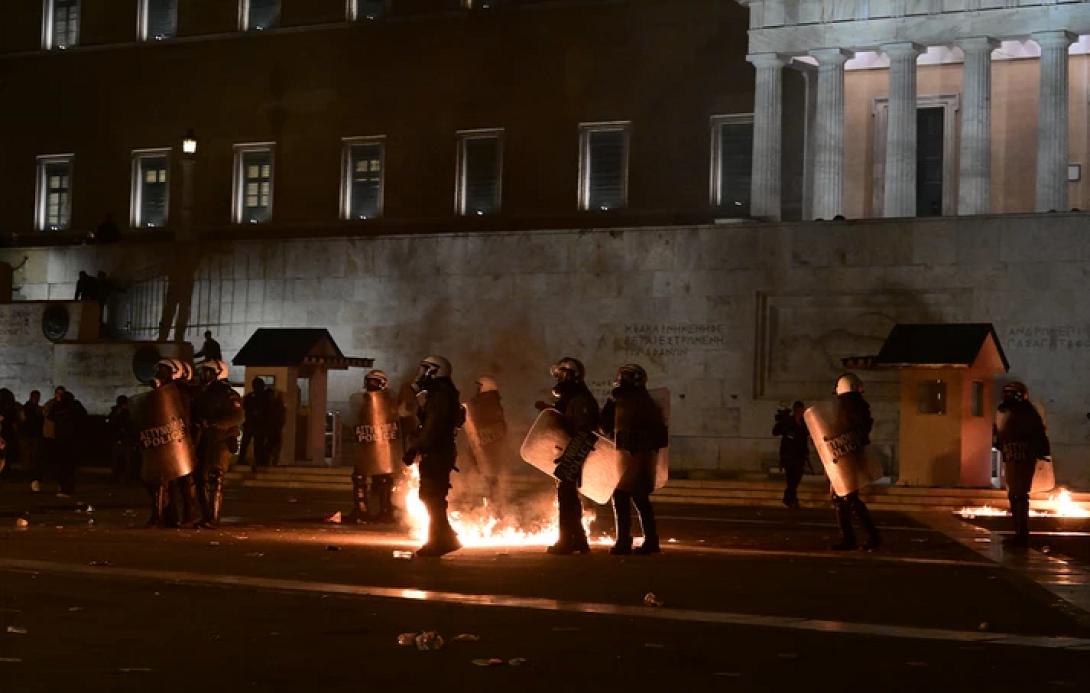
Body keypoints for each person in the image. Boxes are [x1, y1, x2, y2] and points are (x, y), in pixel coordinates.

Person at [600, 364, 668, 555]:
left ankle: (624, 541)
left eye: (623, 377)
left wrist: (611, 401)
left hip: (638, 456)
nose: (619, 380)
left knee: (621, 495)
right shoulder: (642, 400)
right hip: (637, 456)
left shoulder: (632, 401)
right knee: (639, 497)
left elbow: (607, 423)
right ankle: (651, 540)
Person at [536, 357, 598, 555]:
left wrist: (570, 456)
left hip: (574, 451)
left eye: (562, 374)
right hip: (569, 450)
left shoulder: (579, 398)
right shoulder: (572, 397)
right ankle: (578, 540)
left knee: (567, 496)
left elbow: (581, 430)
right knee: (569, 497)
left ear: (571, 375)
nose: (559, 378)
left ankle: (567, 541)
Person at [402, 355, 463, 557]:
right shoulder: (442, 393)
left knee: (431, 497)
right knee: (433, 497)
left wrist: (414, 448)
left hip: (437, 452)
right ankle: (445, 538)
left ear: (434, 372)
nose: (420, 375)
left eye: (424, 370)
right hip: (439, 451)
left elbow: (432, 427)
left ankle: (439, 541)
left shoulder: (440, 396)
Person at [828, 373, 881, 551]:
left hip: (847, 458)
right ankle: (854, 538)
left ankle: (867, 537)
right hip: (848, 458)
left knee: (848, 499)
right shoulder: (859, 407)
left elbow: (845, 432)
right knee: (845, 499)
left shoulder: (849, 408)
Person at [995, 381, 1049, 549]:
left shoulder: (1026, 414)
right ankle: (1019, 534)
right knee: (1015, 495)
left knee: (1019, 495)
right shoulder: (1014, 413)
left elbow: (1036, 436)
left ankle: (1021, 536)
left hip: (1021, 457)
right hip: (1013, 456)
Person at [191, 359, 243, 528]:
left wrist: (215, 424)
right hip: (204, 439)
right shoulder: (202, 392)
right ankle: (206, 516)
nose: (204, 375)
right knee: (200, 479)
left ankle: (213, 518)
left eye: (208, 372)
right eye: (203, 371)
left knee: (215, 477)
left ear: (219, 373)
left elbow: (237, 416)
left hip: (221, 440)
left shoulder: (227, 393)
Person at [349, 370, 400, 524]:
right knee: (359, 476)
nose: (372, 385)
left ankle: (385, 510)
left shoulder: (390, 401)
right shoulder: (363, 401)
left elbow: (395, 420)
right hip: (366, 444)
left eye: (375, 382)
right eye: (370, 381)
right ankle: (361, 509)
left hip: (384, 445)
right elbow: (358, 419)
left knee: (384, 478)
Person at [773, 401, 810, 509]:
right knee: (791, 479)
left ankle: (788, 498)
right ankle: (792, 500)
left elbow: (807, 435)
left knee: (796, 478)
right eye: (799, 410)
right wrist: (782, 422)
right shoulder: (788, 421)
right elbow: (775, 431)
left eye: (802, 410)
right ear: (795, 410)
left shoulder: (804, 422)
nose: (800, 412)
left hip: (800, 455)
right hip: (789, 455)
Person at [50, 389, 87, 497]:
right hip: (70, 440)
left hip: (65, 439)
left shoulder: (62, 407)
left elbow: (51, 416)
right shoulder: (73, 406)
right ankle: (66, 487)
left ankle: (65, 488)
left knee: (64, 466)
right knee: (68, 466)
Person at [239, 378, 268, 470]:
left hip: (257, 424)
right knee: (250, 443)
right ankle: (247, 459)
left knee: (256, 443)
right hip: (253, 423)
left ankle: (256, 460)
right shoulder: (254, 397)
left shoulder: (262, 397)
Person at [107, 395, 136, 482]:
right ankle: (120, 477)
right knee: (123, 459)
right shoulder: (120, 413)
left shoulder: (117, 412)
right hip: (122, 439)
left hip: (122, 439)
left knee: (122, 459)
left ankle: (120, 477)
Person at [22, 391, 44, 492]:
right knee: (30, 456)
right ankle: (31, 477)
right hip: (29, 435)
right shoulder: (31, 409)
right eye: (35, 397)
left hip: (33, 435)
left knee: (33, 456)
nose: (36, 399)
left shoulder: (32, 409)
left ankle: (32, 476)